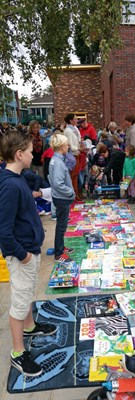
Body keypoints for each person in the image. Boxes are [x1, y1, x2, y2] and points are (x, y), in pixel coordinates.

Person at [0, 130, 56, 377]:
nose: (34, 154)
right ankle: (18, 352)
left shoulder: (18, 178)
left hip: (30, 250)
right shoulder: (10, 185)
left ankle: (30, 326)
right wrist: (22, 255)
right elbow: (4, 230)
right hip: (22, 254)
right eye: (31, 151)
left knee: (28, 291)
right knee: (20, 302)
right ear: (19, 154)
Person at [49, 134, 75, 263]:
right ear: (61, 146)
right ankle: (59, 254)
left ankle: (61, 247)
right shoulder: (58, 162)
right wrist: (70, 192)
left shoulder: (56, 159)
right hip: (62, 198)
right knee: (61, 225)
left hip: (60, 197)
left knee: (62, 224)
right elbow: (58, 183)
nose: (68, 146)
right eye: (66, 144)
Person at [64, 113, 81, 201]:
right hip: (72, 155)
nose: (77, 120)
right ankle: (73, 194)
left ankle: (76, 193)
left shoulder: (75, 129)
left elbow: (78, 140)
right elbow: (69, 144)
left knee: (75, 176)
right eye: (75, 119)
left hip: (77, 154)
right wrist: (79, 148)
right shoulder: (68, 131)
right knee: (72, 176)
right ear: (71, 120)